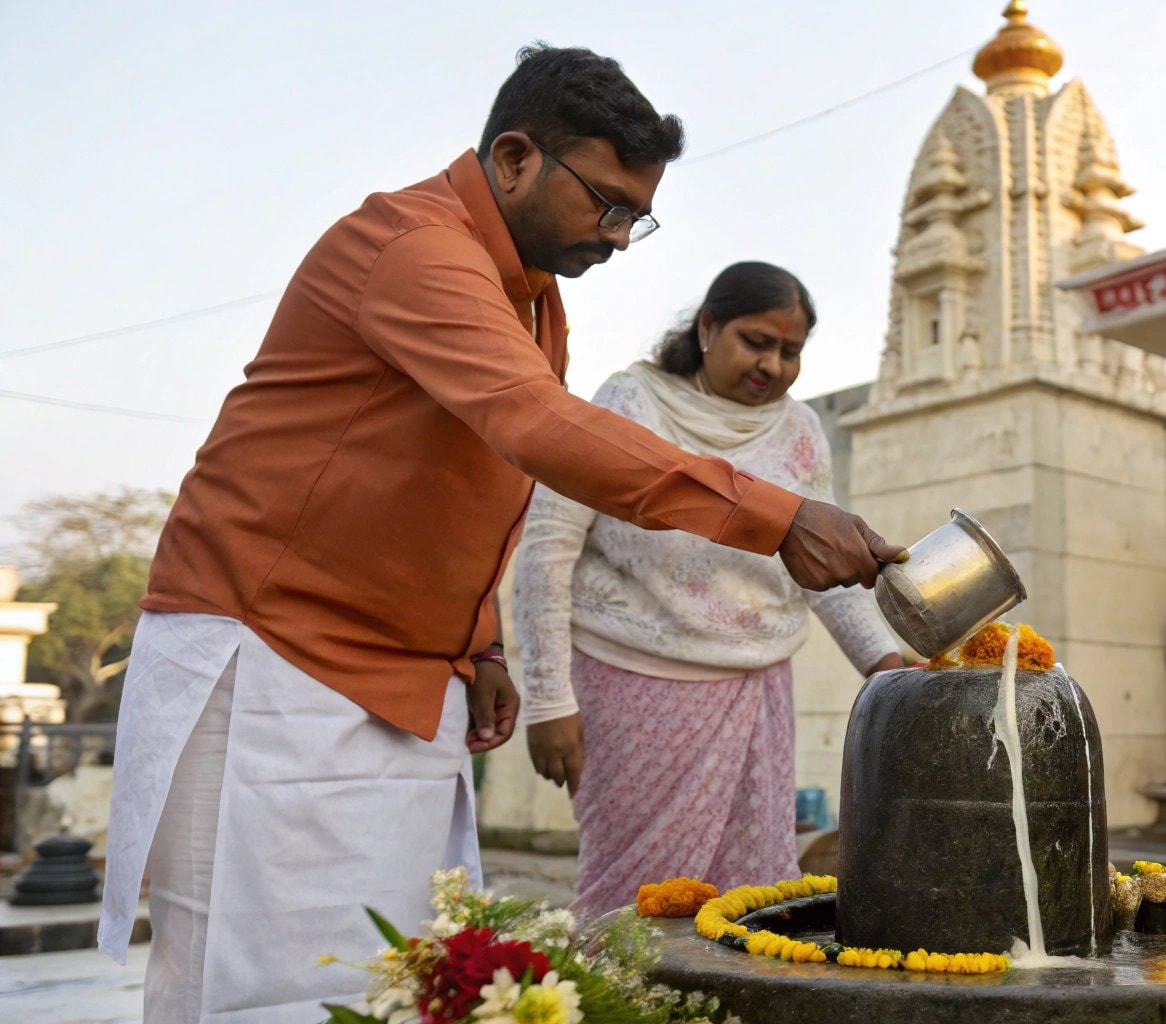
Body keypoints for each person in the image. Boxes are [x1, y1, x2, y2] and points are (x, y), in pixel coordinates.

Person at [100, 48, 902, 1022]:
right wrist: (777, 518)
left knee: (385, 973)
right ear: (516, 157)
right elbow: (534, 428)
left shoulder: (531, 295)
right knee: (256, 979)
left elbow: (483, 483)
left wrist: (476, 636)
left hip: (405, 674)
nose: (619, 235)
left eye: (635, 216)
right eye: (606, 203)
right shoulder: (416, 246)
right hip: (272, 654)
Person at [513, 262, 904, 918]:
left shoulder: (801, 431)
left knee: (754, 900)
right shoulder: (631, 403)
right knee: (637, 901)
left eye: (791, 352)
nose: (773, 366)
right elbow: (548, 546)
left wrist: (889, 669)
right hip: (636, 686)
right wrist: (549, 699)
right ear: (706, 327)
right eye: (756, 342)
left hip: (759, 692)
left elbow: (820, 569)